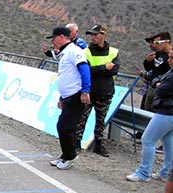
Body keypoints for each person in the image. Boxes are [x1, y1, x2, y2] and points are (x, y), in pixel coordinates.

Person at [47, 26, 92, 170]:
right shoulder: (64, 52)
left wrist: (85, 90)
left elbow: (84, 69)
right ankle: (65, 155)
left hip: (76, 95)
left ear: (61, 37)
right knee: (63, 126)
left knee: (65, 127)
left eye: (53, 38)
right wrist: (61, 97)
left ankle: (71, 156)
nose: (52, 42)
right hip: (67, 95)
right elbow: (66, 76)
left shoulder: (74, 51)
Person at [126, 50, 173, 182]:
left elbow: (160, 90)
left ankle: (143, 172)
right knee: (168, 141)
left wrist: (157, 83)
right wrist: (157, 83)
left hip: (166, 112)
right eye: (169, 57)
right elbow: (158, 83)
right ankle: (166, 173)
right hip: (168, 111)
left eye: (172, 58)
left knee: (147, 140)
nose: (169, 60)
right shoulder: (170, 72)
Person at [75, 24, 119, 157]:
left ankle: (99, 145)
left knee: (101, 120)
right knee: (82, 119)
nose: (93, 37)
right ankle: (76, 143)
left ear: (103, 35)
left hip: (105, 92)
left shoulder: (113, 52)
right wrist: (104, 68)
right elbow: (86, 71)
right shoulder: (86, 52)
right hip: (89, 91)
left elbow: (115, 70)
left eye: (95, 34)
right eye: (91, 35)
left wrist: (97, 70)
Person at [140, 31, 172, 111]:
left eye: (157, 42)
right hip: (153, 86)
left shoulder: (170, 55)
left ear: (167, 42)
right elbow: (150, 68)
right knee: (145, 111)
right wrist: (148, 61)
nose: (155, 45)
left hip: (164, 88)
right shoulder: (158, 54)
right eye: (155, 43)